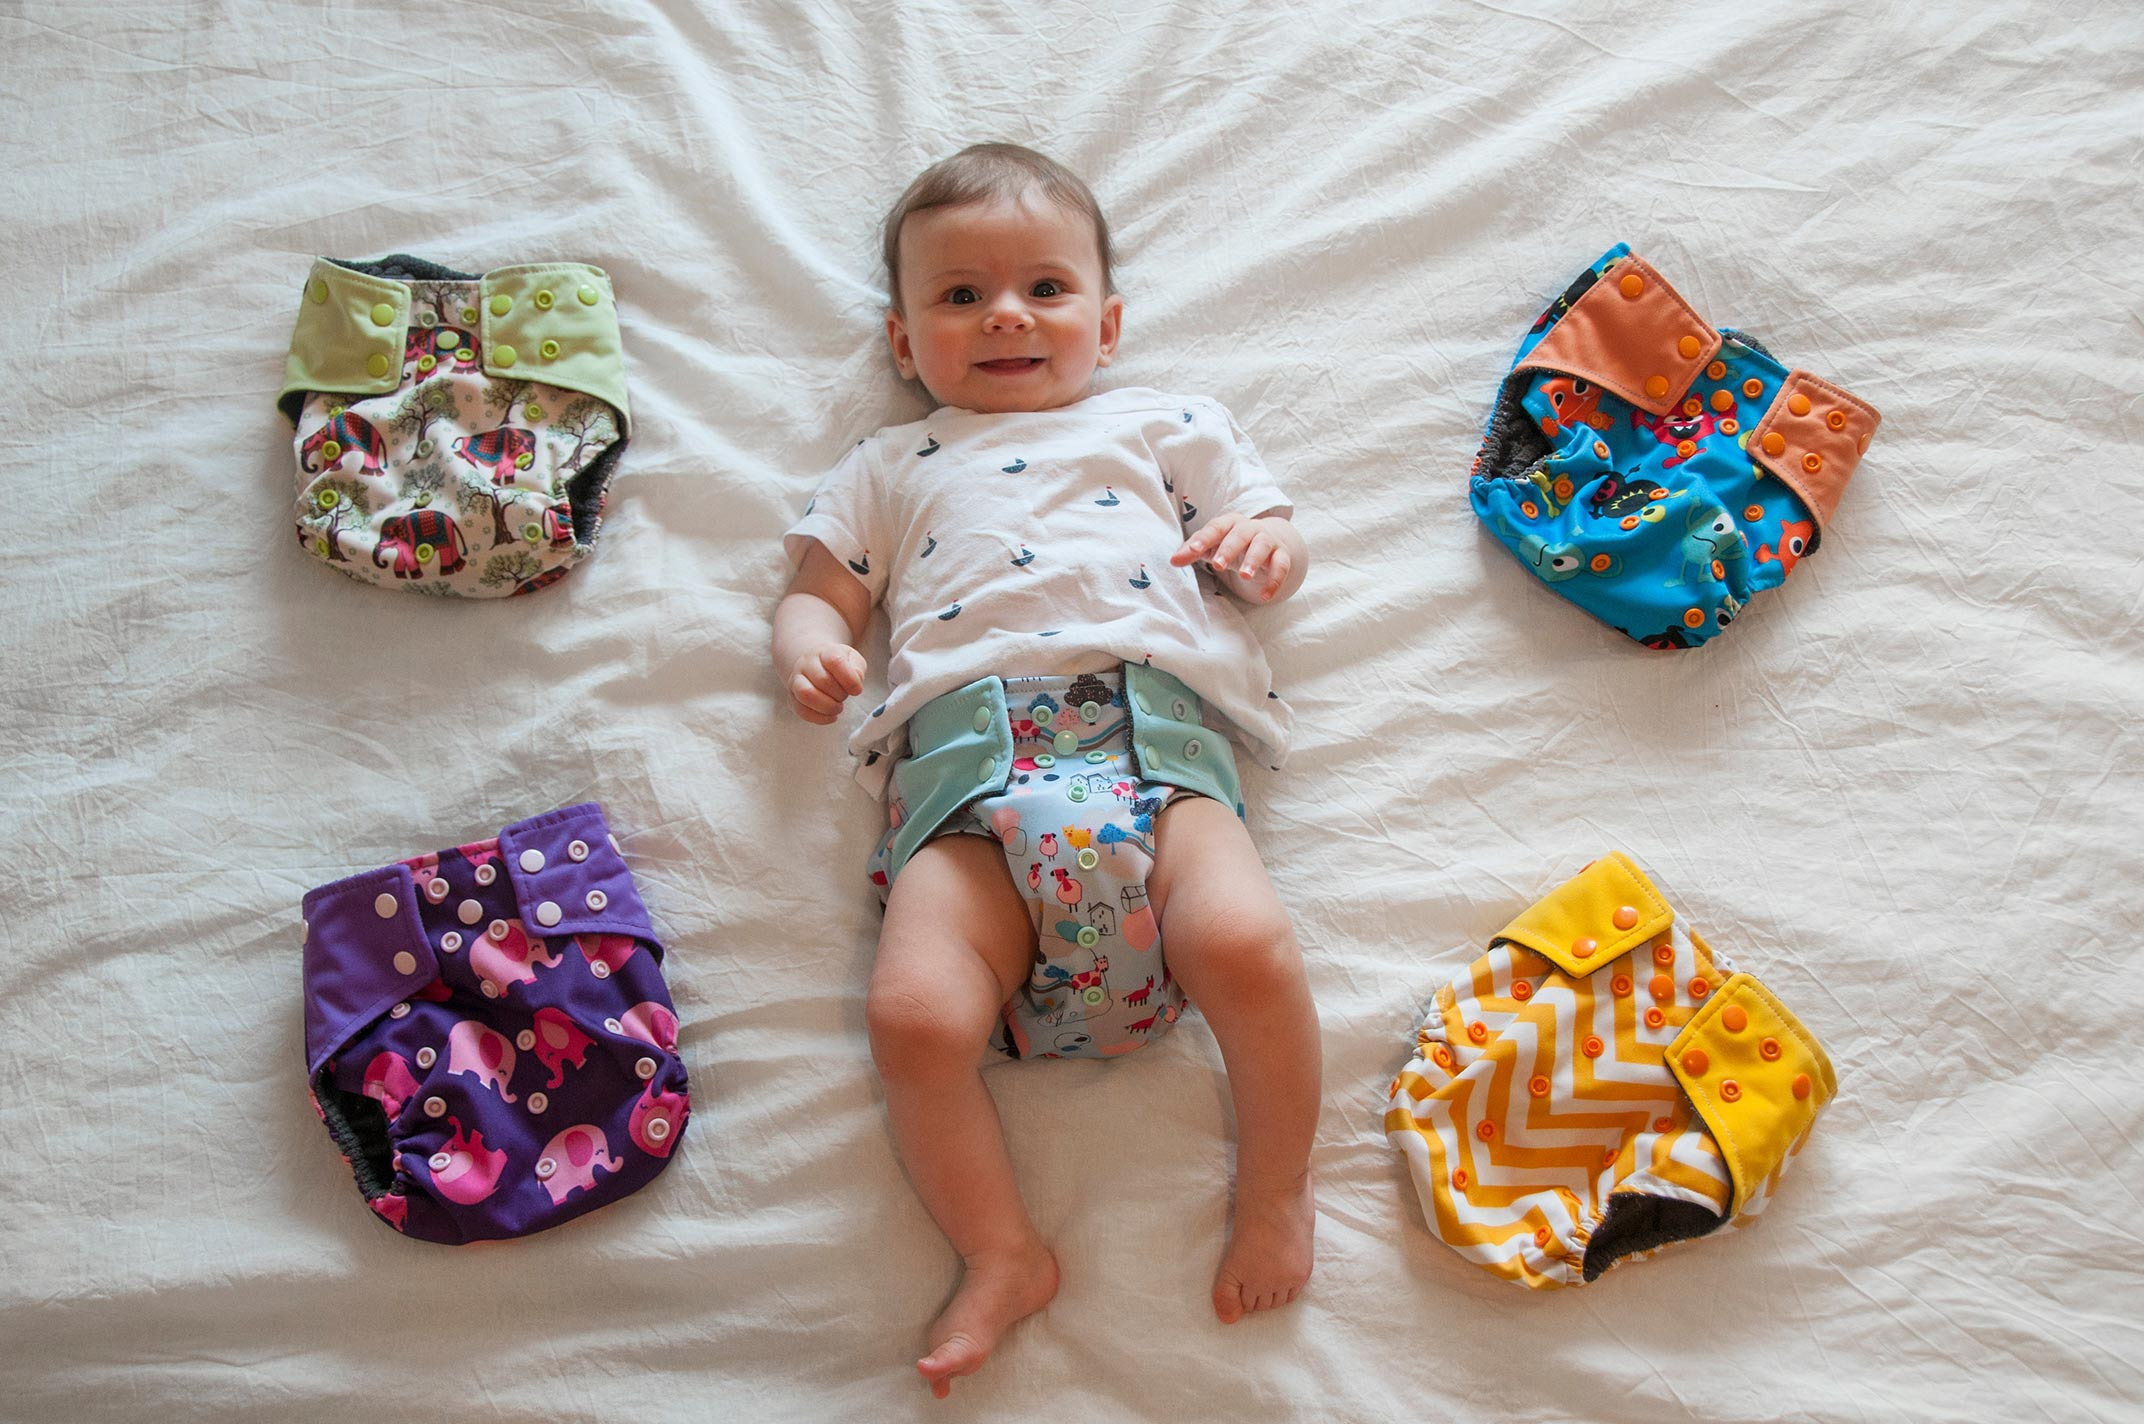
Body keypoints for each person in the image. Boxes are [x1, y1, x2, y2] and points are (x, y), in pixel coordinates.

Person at [772, 142, 1317, 1399]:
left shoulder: (1163, 422)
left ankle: (1277, 1188)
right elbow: (817, 595)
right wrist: (810, 650)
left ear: (1108, 323)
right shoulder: (888, 464)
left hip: (1154, 755)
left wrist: (1260, 545)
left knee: (1247, 946)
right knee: (913, 1016)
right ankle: (1001, 1247)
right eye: (958, 296)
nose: (1004, 313)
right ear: (904, 344)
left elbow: (1271, 533)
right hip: (968, 785)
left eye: (1044, 289)